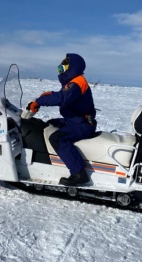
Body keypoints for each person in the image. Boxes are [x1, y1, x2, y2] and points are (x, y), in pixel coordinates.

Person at [27, 53, 97, 186]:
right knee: (49, 123)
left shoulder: (77, 83)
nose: (61, 70)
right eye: (60, 68)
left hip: (82, 125)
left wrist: (39, 101)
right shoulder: (75, 81)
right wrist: (50, 94)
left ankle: (79, 173)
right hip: (75, 120)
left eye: (63, 67)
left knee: (57, 138)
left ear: (72, 67)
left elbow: (63, 98)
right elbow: (63, 95)